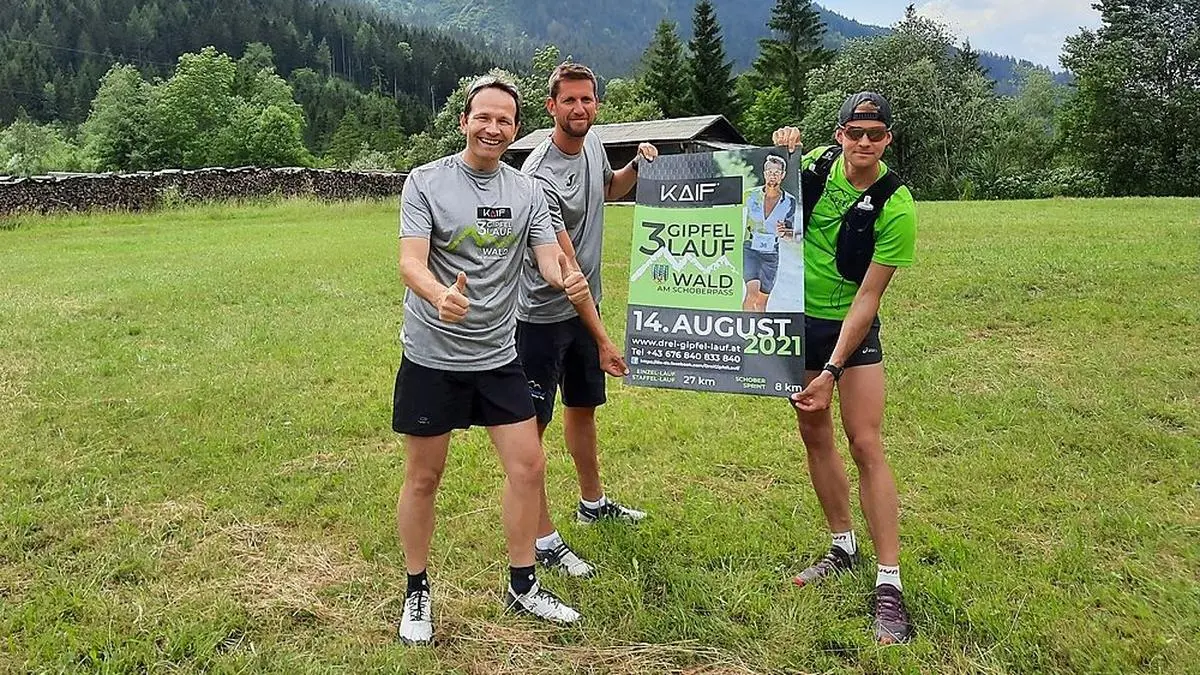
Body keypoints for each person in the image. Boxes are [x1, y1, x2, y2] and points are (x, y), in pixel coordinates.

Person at [394, 75, 624, 646]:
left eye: (504, 120)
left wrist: (562, 274)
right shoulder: (426, 182)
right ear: (464, 121)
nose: (493, 128)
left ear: (517, 128)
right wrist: (437, 293)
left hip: (498, 354)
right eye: (483, 117)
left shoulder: (527, 192)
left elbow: (548, 255)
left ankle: (523, 584)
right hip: (433, 354)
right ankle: (417, 592)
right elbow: (410, 262)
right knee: (425, 478)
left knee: (529, 466)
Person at [772, 91, 917, 644]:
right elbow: (761, 201)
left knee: (865, 443)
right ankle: (841, 545)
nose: (863, 143)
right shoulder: (814, 169)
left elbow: (869, 298)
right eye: (854, 133)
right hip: (795, 324)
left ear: (886, 141)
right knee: (814, 436)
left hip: (849, 330)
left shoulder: (896, 204)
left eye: (874, 135)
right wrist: (782, 152)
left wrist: (832, 369)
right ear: (839, 135)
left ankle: (889, 582)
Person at [516, 62, 658, 579]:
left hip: (585, 306)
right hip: (541, 316)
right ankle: (541, 537)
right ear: (550, 107)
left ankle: (592, 503)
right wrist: (604, 338)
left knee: (583, 408)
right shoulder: (538, 175)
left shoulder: (594, 144)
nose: (580, 109)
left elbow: (612, 190)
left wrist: (638, 169)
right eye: (569, 101)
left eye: (587, 100)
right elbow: (565, 262)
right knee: (530, 429)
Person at [742, 154, 798, 311]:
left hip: (771, 252)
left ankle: (758, 331)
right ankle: (745, 328)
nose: (773, 175)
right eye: (770, 171)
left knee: (761, 301)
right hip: (749, 248)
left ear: (783, 175)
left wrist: (784, 233)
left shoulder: (790, 201)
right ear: (764, 173)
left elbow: (791, 233)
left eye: (777, 172)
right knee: (752, 292)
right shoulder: (749, 195)